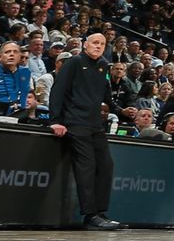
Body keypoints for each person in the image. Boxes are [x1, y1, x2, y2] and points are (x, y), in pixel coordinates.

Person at [47, 32, 121, 230]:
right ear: (85, 44)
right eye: (94, 43)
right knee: (86, 166)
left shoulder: (104, 65)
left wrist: (122, 111)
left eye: (102, 44)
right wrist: (55, 120)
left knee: (106, 165)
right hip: (75, 122)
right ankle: (90, 215)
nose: (98, 46)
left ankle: (100, 212)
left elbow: (107, 95)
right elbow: (57, 91)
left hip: (95, 124)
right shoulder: (74, 62)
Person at [0, 39, 31, 117]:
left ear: (20, 56)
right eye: (7, 52)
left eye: (15, 52)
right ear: (0, 56)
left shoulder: (26, 72)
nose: (12, 54)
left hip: (20, 116)